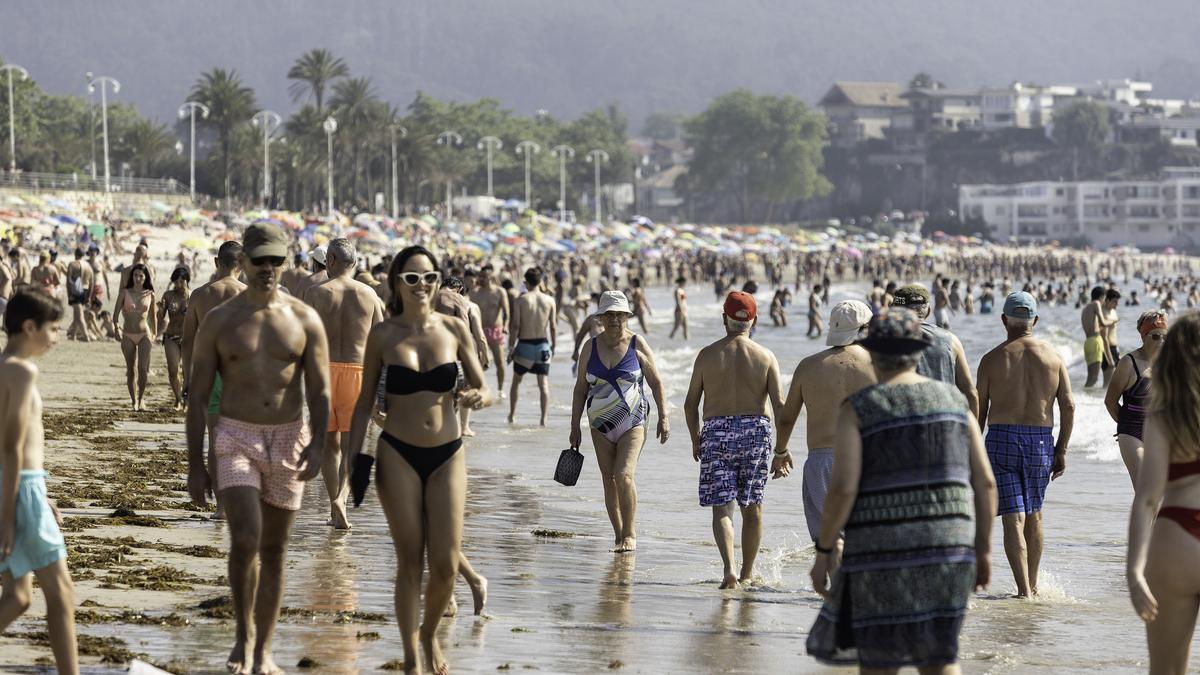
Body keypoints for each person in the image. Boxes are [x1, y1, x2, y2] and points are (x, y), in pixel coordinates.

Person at [806, 307, 997, 673]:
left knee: (880, 660)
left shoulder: (861, 407)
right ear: (919, 351)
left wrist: (824, 551)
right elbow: (985, 482)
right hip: (949, 546)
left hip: (880, 550)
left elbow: (843, 490)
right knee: (941, 657)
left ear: (873, 353)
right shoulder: (954, 402)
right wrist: (983, 550)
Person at [186, 221, 330, 675]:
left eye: (276, 261)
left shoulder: (304, 319)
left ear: (286, 264)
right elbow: (197, 394)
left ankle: (264, 649)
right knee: (245, 537)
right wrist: (194, 464)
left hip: (289, 436)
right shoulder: (220, 320)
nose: (268, 268)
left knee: (275, 548)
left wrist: (320, 444)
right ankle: (243, 637)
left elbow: (322, 391)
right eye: (259, 260)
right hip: (235, 435)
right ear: (243, 262)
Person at [346, 245, 492, 675]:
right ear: (396, 284)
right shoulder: (384, 335)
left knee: (445, 564)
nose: (422, 285)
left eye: (429, 277)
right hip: (397, 453)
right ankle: (412, 657)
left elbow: (486, 387)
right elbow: (362, 403)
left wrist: (478, 396)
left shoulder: (452, 329)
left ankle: (428, 634)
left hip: (448, 453)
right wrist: (353, 458)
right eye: (412, 278)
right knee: (410, 559)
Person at [0, 290, 78, 675]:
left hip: (18, 486)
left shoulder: (3, 366)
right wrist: (15, 512)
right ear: (28, 327)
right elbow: (13, 445)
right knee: (61, 593)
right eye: (52, 328)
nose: (56, 337)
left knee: (17, 597)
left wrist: (39, 494)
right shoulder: (22, 370)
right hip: (20, 487)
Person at [683, 291, 784, 588]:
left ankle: (729, 570)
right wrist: (782, 449)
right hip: (756, 431)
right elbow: (779, 404)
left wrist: (695, 438)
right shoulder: (766, 356)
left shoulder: (707, 355)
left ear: (724, 319)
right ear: (754, 320)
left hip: (717, 430)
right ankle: (748, 573)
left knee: (722, 507)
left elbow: (690, 404)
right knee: (752, 507)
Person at [977, 291, 1074, 598]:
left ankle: (1024, 592)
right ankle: (1032, 585)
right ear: (1035, 320)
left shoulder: (991, 359)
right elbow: (1069, 406)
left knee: (1012, 516)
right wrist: (1062, 449)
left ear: (1004, 319)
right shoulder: (1053, 357)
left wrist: (974, 452)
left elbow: (978, 411)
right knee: (1035, 514)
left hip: (1001, 439)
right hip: (1041, 441)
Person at [569, 291, 670, 553]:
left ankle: (630, 533)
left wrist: (664, 417)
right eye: (609, 314)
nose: (614, 319)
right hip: (599, 424)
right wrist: (574, 427)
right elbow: (580, 389)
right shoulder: (590, 347)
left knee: (624, 474)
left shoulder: (637, 343)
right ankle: (617, 534)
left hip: (633, 421)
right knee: (608, 479)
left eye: (619, 314)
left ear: (627, 316)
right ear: (600, 317)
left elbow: (656, 381)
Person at [1127, 312, 1200, 675]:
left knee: (1166, 670)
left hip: (1177, 537)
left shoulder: (1165, 411)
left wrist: (1133, 570)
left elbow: (1147, 498)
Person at [775, 300, 875, 543]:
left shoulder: (808, 366)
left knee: (830, 539)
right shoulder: (879, 364)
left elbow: (787, 418)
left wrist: (781, 452)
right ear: (864, 328)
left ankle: (836, 581)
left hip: (821, 461)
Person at [302, 238, 384, 530]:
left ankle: (333, 503)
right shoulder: (370, 295)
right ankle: (342, 500)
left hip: (322, 373)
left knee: (328, 444)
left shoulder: (314, 293)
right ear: (354, 262)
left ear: (331, 261)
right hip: (358, 372)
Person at [182, 241, 247, 516]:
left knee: (214, 438)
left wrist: (187, 378)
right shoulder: (251, 295)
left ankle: (221, 505)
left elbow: (187, 341)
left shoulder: (199, 295)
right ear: (242, 265)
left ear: (215, 262)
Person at [890, 284, 980, 417]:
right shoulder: (951, 340)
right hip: (946, 425)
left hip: (902, 426)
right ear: (928, 310)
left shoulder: (885, 342)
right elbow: (971, 393)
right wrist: (974, 434)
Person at [1105, 311, 1167, 485]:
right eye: (1156, 337)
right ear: (1144, 336)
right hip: (1132, 432)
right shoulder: (1128, 363)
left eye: (1165, 337)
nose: (1161, 341)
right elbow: (1110, 401)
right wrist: (1124, 424)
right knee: (1145, 486)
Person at [508, 267, 557, 425]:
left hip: (525, 345)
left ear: (525, 282)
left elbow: (515, 326)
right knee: (543, 384)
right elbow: (553, 326)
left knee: (516, 381)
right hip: (543, 345)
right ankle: (543, 419)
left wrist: (511, 347)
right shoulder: (550, 300)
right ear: (540, 282)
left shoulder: (521, 300)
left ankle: (512, 415)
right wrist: (553, 346)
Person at [118, 263, 157, 411]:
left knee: (142, 368)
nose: (138, 278)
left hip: (144, 334)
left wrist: (153, 333)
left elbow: (153, 317)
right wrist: (116, 329)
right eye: (135, 275)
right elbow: (115, 316)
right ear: (132, 277)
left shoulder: (150, 294)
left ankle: (141, 399)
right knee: (131, 370)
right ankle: (133, 400)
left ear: (146, 277)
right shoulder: (124, 293)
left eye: (141, 275)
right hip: (127, 334)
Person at [470, 264, 510, 396]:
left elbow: (506, 311)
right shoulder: (474, 293)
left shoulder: (499, 292)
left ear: (491, 277)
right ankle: (480, 387)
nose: (481, 279)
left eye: (484, 277)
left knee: (500, 362)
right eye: (480, 277)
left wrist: (505, 325)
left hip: (495, 330)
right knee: (477, 361)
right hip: (479, 331)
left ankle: (500, 389)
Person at [157, 267, 190, 410]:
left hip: (189, 337)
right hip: (171, 335)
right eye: (176, 281)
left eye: (181, 280)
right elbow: (160, 318)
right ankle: (178, 398)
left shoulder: (194, 296)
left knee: (188, 371)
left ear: (187, 280)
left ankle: (186, 398)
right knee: (173, 369)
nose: (178, 284)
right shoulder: (168, 295)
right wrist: (160, 309)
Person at [1081, 286, 1113, 388]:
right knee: (1094, 378)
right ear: (1102, 297)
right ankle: (1083, 399)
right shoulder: (1096, 303)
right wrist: (1113, 321)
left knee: (1107, 368)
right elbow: (1103, 322)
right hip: (1095, 342)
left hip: (1088, 342)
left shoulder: (1085, 309)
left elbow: (1093, 326)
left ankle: (1100, 393)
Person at [65, 248, 94, 341]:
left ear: (75, 254)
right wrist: (89, 296)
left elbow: (68, 281)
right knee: (76, 313)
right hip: (85, 290)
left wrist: (69, 293)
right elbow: (91, 283)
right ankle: (73, 335)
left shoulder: (73, 264)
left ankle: (86, 336)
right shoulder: (88, 266)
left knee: (79, 314)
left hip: (77, 290)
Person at [1103, 288, 1122, 386]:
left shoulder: (1113, 312)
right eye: (1114, 301)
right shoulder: (1103, 314)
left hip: (1115, 348)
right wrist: (1109, 358)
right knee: (1107, 383)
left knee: (1118, 380)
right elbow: (1103, 337)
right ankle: (1097, 400)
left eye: (1117, 302)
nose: (1117, 304)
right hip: (1106, 349)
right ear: (1107, 300)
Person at [669, 276, 689, 340]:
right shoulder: (677, 291)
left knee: (686, 327)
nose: (685, 284)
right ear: (682, 282)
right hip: (679, 311)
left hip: (684, 311)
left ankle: (687, 343)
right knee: (676, 327)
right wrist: (682, 311)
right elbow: (678, 302)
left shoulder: (682, 290)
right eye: (685, 283)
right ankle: (670, 339)